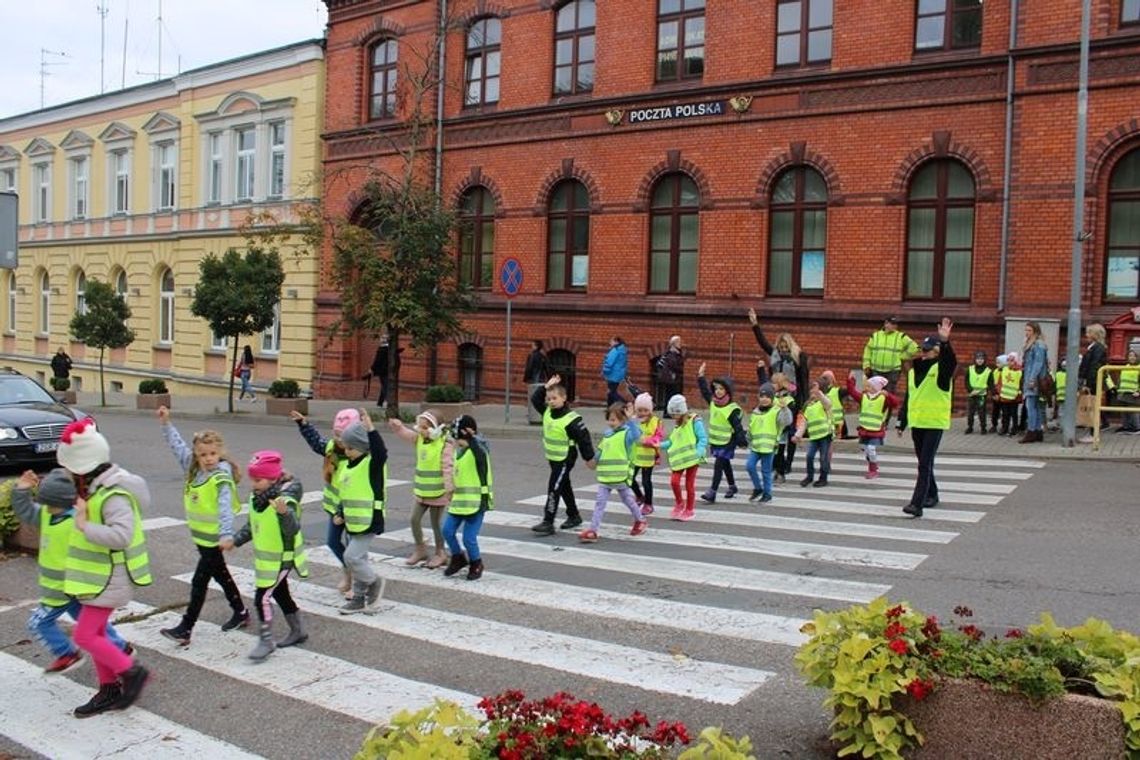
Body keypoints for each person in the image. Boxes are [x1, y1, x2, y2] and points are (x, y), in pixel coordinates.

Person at [56, 418, 151, 717]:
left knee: (85, 636)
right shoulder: (95, 490)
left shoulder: (113, 494)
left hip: (109, 579)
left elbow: (122, 535)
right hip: (95, 578)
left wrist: (85, 526)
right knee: (94, 633)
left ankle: (131, 672)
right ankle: (108, 689)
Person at [12, 469, 131, 674]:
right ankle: (120, 647)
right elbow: (26, 511)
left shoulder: (75, 521)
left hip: (60, 590)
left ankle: (67, 653)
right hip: (66, 587)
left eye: (49, 503)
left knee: (38, 623)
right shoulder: (46, 515)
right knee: (90, 623)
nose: (46, 507)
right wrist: (21, 490)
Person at [155, 407, 248, 645]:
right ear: (197, 455)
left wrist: (227, 534)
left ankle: (186, 628)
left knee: (199, 582)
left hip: (214, 539)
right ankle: (240, 612)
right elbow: (177, 446)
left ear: (220, 453)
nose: (208, 458)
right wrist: (166, 423)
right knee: (221, 574)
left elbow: (225, 507)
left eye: (212, 454)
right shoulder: (193, 469)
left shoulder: (220, 477)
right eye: (203, 454)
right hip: (202, 538)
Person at [228, 450, 307, 660]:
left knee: (262, 597)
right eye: (253, 479)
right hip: (268, 561)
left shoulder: (283, 501)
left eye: (258, 479)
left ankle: (266, 640)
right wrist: (235, 540)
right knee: (281, 593)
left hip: (282, 559)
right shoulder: (258, 498)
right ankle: (298, 630)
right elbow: (253, 525)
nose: (253, 484)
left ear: (273, 478)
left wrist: (284, 513)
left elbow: (292, 529)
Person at [291, 408, 358, 598]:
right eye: (336, 433)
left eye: (342, 435)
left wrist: (342, 513)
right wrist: (303, 424)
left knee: (354, 548)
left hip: (351, 511)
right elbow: (316, 442)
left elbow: (354, 490)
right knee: (333, 542)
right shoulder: (331, 448)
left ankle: (357, 581)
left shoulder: (358, 458)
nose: (338, 438)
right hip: (333, 510)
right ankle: (348, 572)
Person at [897, 319, 957, 518]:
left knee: (924, 463)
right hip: (917, 423)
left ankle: (917, 504)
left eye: (928, 350)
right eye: (923, 350)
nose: (924, 353)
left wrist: (945, 341)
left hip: (933, 423)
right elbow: (909, 397)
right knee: (924, 462)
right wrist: (901, 421)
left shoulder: (941, 371)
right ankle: (933, 493)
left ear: (937, 352)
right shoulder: (914, 372)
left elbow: (950, 362)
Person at [334, 413, 388, 614]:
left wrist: (371, 430)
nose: (347, 452)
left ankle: (375, 582)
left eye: (351, 448)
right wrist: (340, 511)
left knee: (352, 557)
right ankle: (358, 598)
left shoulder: (371, 464)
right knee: (359, 559)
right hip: (352, 522)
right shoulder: (348, 467)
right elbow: (346, 492)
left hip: (369, 520)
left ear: (363, 447)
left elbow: (381, 452)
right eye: (346, 448)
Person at [530, 374, 595, 536]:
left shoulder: (571, 419)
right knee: (564, 485)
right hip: (553, 458)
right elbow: (534, 399)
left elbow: (584, 438)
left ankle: (548, 521)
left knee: (554, 487)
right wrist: (546, 386)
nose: (551, 401)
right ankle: (574, 516)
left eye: (554, 398)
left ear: (564, 398)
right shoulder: (547, 412)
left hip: (566, 458)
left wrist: (589, 458)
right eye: (549, 399)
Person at [388, 410, 453, 568]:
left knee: (436, 523)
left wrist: (449, 487)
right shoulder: (419, 439)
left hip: (438, 492)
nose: (421, 430)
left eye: (425, 428)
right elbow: (407, 435)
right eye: (420, 427)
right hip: (422, 491)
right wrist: (399, 427)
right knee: (414, 519)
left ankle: (440, 552)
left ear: (436, 428)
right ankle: (420, 549)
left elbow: (448, 466)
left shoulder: (444, 443)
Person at [579, 403, 644, 542]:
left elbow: (637, 435)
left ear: (622, 420)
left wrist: (632, 419)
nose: (611, 422)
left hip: (620, 476)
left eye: (614, 419)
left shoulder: (626, 434)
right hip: (605, 476)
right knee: (600, 503)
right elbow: (601, 451)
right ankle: (593, 530)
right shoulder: (607, 435)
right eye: (609, 419)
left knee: (628, 500)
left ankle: (640, 520)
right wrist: (593, 461)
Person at [442, 415, 493, 580]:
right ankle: (458, 558)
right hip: (459, 501)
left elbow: (478, 450)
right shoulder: (460, 452)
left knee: (469, 538)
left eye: (459, 438)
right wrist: (450, 490)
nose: (457, 443)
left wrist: (472, 437)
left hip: (476, 502)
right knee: (447, 531)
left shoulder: (479, 450)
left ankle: (476, 563)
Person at [697, 363, 747, 503]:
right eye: (716, 388)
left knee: (719, 464)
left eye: (722, 389)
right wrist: (701, 376)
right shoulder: (713, 403)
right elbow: (705, 391)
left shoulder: (731, 409)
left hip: (727, 441)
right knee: (725, 464)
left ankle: (712, 492)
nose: (718, 391)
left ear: (728, 391)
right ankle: (732, 486)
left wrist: (742, 441)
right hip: (716, 440)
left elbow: (737, 427)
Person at [656, 394, 707, 521]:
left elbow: (703, 438)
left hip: (692, 459)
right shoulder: (677, 426)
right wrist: (659, 445)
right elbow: (672, 442)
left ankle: (689, 509)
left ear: (682, 411)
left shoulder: (695, 421)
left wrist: (699, 451)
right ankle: (679, 503)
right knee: (674, 482)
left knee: (689, 485)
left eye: (675, 414)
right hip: (679, 461)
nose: (673, 417)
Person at [747, 308, 810, 411]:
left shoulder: (799, 357)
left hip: (793, 394)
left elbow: (804, 380)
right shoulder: (776, 355)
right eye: (781, 347)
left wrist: (805, 401)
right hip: (776, 392)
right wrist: (755, 324)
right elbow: (763, 343)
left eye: (786, 347)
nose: (784, 350)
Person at [845, 373, 901, 479]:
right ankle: (872, 461)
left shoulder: (883, 398)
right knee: (865, 449)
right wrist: (850, 380)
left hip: (876, 430)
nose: (867, 388)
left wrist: (888, 395)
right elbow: (852, 392)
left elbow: (896, 403)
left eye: (870, 386)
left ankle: (873, 470)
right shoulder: (864, 397)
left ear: (876, 387)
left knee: (871, 449)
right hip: (864, 429)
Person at [745, 380, 792, 503]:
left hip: (769, 447)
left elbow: (787, 421)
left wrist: (785, 408)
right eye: (762, 396)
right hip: (756, 446)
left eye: (767, 397)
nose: (764, 399)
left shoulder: (776, 411)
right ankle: (757, 488)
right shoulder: (755, 412)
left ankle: (767, 493)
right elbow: (751, 427)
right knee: (749, 466)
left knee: (766, 471)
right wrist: (746, 440)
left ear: (771, 398)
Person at [791, 381, 834, 488]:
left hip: (825, 434)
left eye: (815, 390)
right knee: (809, 456)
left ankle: (823, 478)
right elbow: (804, 422)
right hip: (814, 436)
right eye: (812, 390)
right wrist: (798, 435)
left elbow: (828, 404)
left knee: (823, 458)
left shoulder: (823, 401)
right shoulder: (808, 405)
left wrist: (820, 395)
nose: (813, 392)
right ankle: (809, 476)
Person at [862, 316, 919, 393]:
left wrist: (902, 356)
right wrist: (866, 365)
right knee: (875, 392)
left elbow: (915, 348)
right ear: (886, 324)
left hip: (892, 371)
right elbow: (868, 350)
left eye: (895, 324)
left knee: (889, 394)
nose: (894, 326)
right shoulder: (876, 336)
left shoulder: (901, 336)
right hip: (876, 370)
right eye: (892, 324)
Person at [628, 392, 664, 516]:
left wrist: (648, 441)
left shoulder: (656, 421)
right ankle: (639, 496)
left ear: (650, 410)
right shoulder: (634, 420)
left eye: (645, 410)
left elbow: (659, 437)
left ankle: (648, 503)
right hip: (635, 456)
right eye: (639, 410)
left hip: (648, 456)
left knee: (646, 481)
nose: (642, 413)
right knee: (629, 478)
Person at [1077, 323, 1109, 443]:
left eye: (1088, 332)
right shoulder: (1094, 347)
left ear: (1095, 334)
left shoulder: (1098, 348)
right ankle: (1095, 429)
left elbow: (1094, 366)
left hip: (1094, 382)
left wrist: (1088, 383)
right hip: (1093, 381)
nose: (1086, 335)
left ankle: (1093, 433)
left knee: (1092, 406)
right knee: (1092, 406)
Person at [1019, 321, 1049, 444]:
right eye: (1026, 330)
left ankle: (1032, 431)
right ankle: (1037, 431)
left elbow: (1038, 363)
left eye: (1029, 330)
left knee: (1031, 406)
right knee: (1035, 406)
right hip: (1032, 377)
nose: (1026, 333)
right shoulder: (1032, 344)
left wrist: (1031, 379)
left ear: (1035, 331)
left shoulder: (1038, 345)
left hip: (1035, 380)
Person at [770, 375, 798, 484]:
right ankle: (774, 470)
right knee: (773, 452)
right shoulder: (773, 397)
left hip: (782, 431)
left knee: (779, 453)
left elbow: (790, 417)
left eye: (774, 383)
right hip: (772, 429)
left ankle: (780, 473)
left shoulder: (789, 400)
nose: (772, 385)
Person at [963, 351, 994, 435]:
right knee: (970, 412)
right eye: (978, 359)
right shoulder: (970, 369)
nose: (980, 360)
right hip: (972, 394)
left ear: (984, 360)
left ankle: (983, 428)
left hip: (981, 395)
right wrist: (970, 390)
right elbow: (966, 381)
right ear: (975, 359)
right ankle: (970, 427)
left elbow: (991, 383)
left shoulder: (988, 371)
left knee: (982, 412)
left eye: (981, 359)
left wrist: (994, 393)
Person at [1111, 348, 1139, 434]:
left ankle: (1136, 427)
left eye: (1134, 356)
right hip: (1123, 393)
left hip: (1133, 393)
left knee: (1133, 412)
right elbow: (1120, 380)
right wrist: (1117, 389)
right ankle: (1126, 426)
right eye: (1130, 356)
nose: (1132, 358)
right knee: (1124, 411)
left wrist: (1138, 392)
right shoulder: (1125, 367)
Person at [524, 340, 552, 425]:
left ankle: (533, 414)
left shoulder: (532, 356)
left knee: (533, 397)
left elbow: (529, 368)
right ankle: (540, 414)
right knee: (541, 396)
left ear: (536, 346)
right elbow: (547, 368)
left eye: (532, 345)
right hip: (542, 379)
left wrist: (526, 378)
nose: (531, 346)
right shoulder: (543, 356)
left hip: (534, 379)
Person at [995, 352, 1023, 436]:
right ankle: (1005, 428)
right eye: (1009, 361)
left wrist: (1019, 393)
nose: (1010, 363)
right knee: (1005, 414)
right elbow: (1000, 382)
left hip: (1015, 397)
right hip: (1004, 396)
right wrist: (999, 392)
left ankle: (1014, 429)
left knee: (1014, 414)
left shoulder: (1020, 372)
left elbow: (1021, 384)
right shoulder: (1004, 370)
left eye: (1012, 361)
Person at [370, 336, 401, 408]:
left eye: (382, 338)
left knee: (385, 386)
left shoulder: (381, 349)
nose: (380, 339)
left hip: (382, 372)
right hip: (391, 371)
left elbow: (377, 361)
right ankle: (380, 402)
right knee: (385, 385)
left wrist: (372, 369)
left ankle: (389, 402)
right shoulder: (393, 349)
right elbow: (398, 361)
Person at [655, 336, 686, 407]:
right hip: (671, 378)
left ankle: (668, 411)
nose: (680, 344)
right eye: (679, 342)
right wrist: (681, 369)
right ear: (674, 343)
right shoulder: (672, 354)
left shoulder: (673, 353)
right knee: (670, 395)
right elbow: (674, 365)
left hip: (672, 378)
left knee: (670, 395)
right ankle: (668, 411)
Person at [602, 336, 629, 406]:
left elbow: (609, 362)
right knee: (611, 391)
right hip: (619, 374)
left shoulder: (615, 350)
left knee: (611, 392)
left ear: (616, 342)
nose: (610, 343)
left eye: (611, 341)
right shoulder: (623, 350)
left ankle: (625, 404)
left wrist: (605, 372)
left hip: (612, 374)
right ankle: (610, 407)